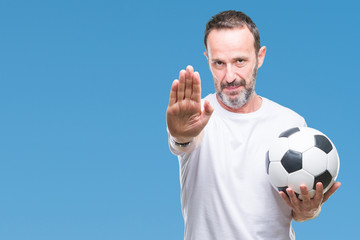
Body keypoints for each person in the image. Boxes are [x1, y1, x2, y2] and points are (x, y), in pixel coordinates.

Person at [166, 10, 341, 240]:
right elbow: (182, 141)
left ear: (260, 56)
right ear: (207, 59)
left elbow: (297, 212)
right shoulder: (196, 117)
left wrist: (308, 210)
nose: (229, 76)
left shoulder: (291, 124)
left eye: (240, 61)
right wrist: (179, 133)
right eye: (218, 63)